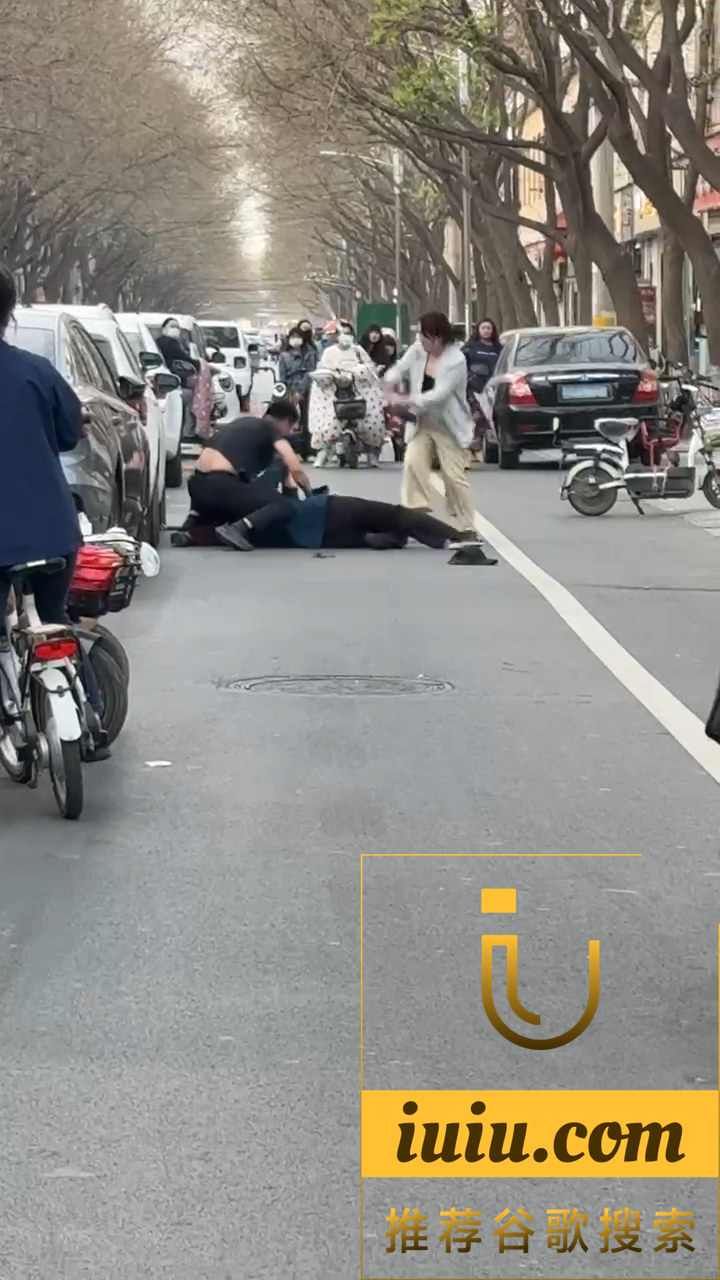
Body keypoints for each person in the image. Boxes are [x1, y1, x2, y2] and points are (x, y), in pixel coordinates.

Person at [0, 265, 109, 759]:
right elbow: (68, 434)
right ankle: (92, 720)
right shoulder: (37, 370)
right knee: (54, 617)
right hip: (50, 527)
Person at [384, 312, 482, 543]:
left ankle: (467, 525)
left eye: (423, 334)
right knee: (412, 463)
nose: (419, 338)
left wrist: (406, 400)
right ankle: (413, 517)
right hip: (422, 422)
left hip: (448, 424)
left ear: (436, 337)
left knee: (454, 477)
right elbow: (399, 368)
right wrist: (389, 383)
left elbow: (440, 395)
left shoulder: (456, 359)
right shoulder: (418, 350)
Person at [184, 403, 312, 551]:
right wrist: (309, 493)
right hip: (221, 486)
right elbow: (294, 466)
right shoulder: (271, 428)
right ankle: (238, 529)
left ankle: (192, 527)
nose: (288, 433)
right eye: (291, 429)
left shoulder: (241, 423)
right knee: (283, 504)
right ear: (286, 422)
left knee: (235, 504)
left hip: (197, 489)